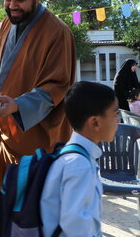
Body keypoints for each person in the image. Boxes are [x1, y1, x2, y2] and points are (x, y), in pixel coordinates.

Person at [0, 0, 76, 236]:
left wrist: (17, 106)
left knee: (32, 221)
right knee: (2, 215)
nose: (12, 6)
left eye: (20, 0)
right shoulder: (5, 27)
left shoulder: (58, 32)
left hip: (40, 144)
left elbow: (57, 87)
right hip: (5, 137)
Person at [41, 81, 119, 237]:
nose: (118, 120)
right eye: (115, 113)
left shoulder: (72, 156)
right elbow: (76, 228)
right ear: (95, 122)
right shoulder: (79, 165)